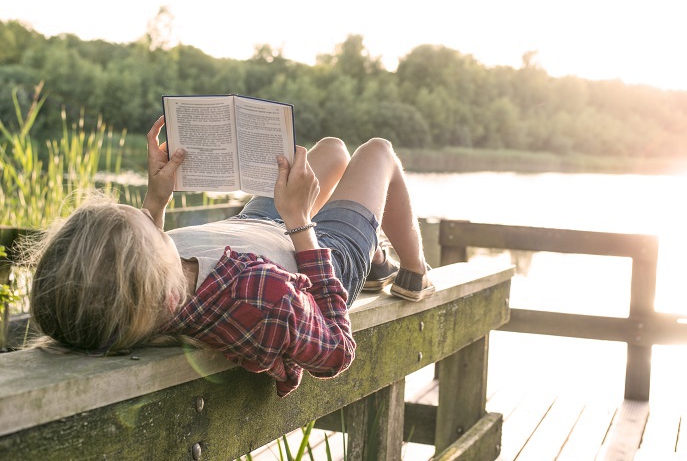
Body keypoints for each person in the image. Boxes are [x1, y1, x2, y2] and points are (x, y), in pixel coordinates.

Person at [28, 116, 434, 396]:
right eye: (145, 225)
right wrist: (297, 219)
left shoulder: (147, 292)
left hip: (253, 227)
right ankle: (412, 271)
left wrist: (157, 199)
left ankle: (377, 254)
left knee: (329, 151)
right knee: (378, 151)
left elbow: (140, 267)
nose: (143, 216)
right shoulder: (257, 296)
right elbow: (336, 350)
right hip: (313, 249)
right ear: (160, 279)